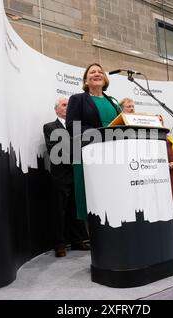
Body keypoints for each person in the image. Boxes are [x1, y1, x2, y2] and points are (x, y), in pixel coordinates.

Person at [66, 63, 121, 222]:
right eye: (92, 72)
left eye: (100, 72)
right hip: (89, 154)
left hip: (114, 153)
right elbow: (72, 127)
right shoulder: (78, 99)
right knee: (94, 197)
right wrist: (99, 133)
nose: (97, 74)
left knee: (112, 194)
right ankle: (97, 237)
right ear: (85, 80)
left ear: (105, 79)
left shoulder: (113, 101)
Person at [43, 97, 89, 257]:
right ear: (56, 110)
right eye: (64, 105)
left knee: (76, 208)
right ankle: (60, 244)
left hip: (77, 173)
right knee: (59, 210)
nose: (67, 107)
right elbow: (54, 150)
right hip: (61, 175)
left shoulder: (78, 128)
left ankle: (78, 240)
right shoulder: (50, 127)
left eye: (69, 105)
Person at [157, 114, 173, 230]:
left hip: (172, 167)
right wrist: (163, 164)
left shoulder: (169, 136)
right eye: (157, 120)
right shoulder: (152, 135)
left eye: (161, 120)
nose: (159, 121)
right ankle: (166, 221)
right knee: (163, 194)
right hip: (161, 168)